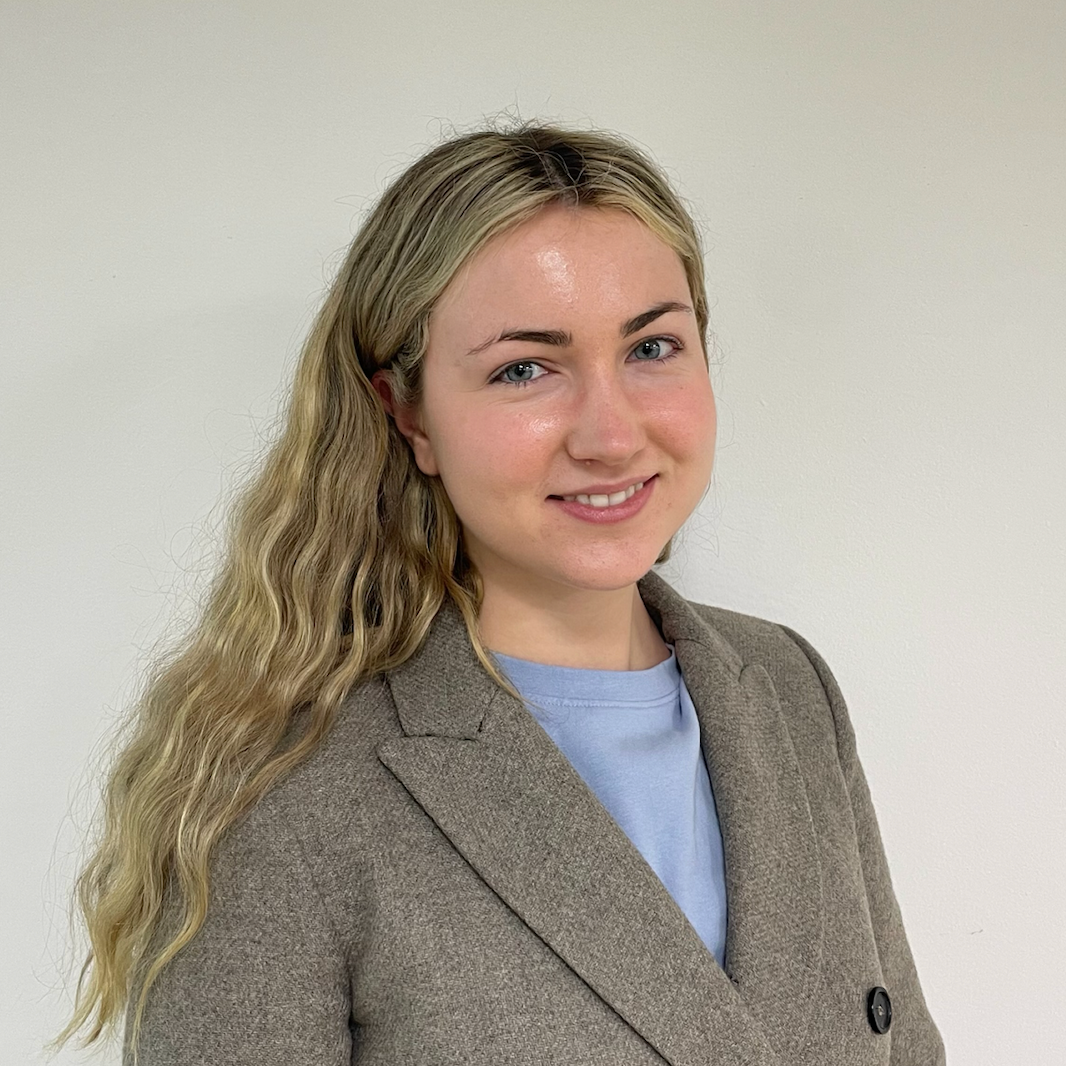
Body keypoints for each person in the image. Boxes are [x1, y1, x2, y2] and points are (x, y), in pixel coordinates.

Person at [57, 122, 944, 1065]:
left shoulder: (788, 687)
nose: (611, 435)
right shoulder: (283, 783)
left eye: (652, 347)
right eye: (525, 369)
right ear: (408, 415)